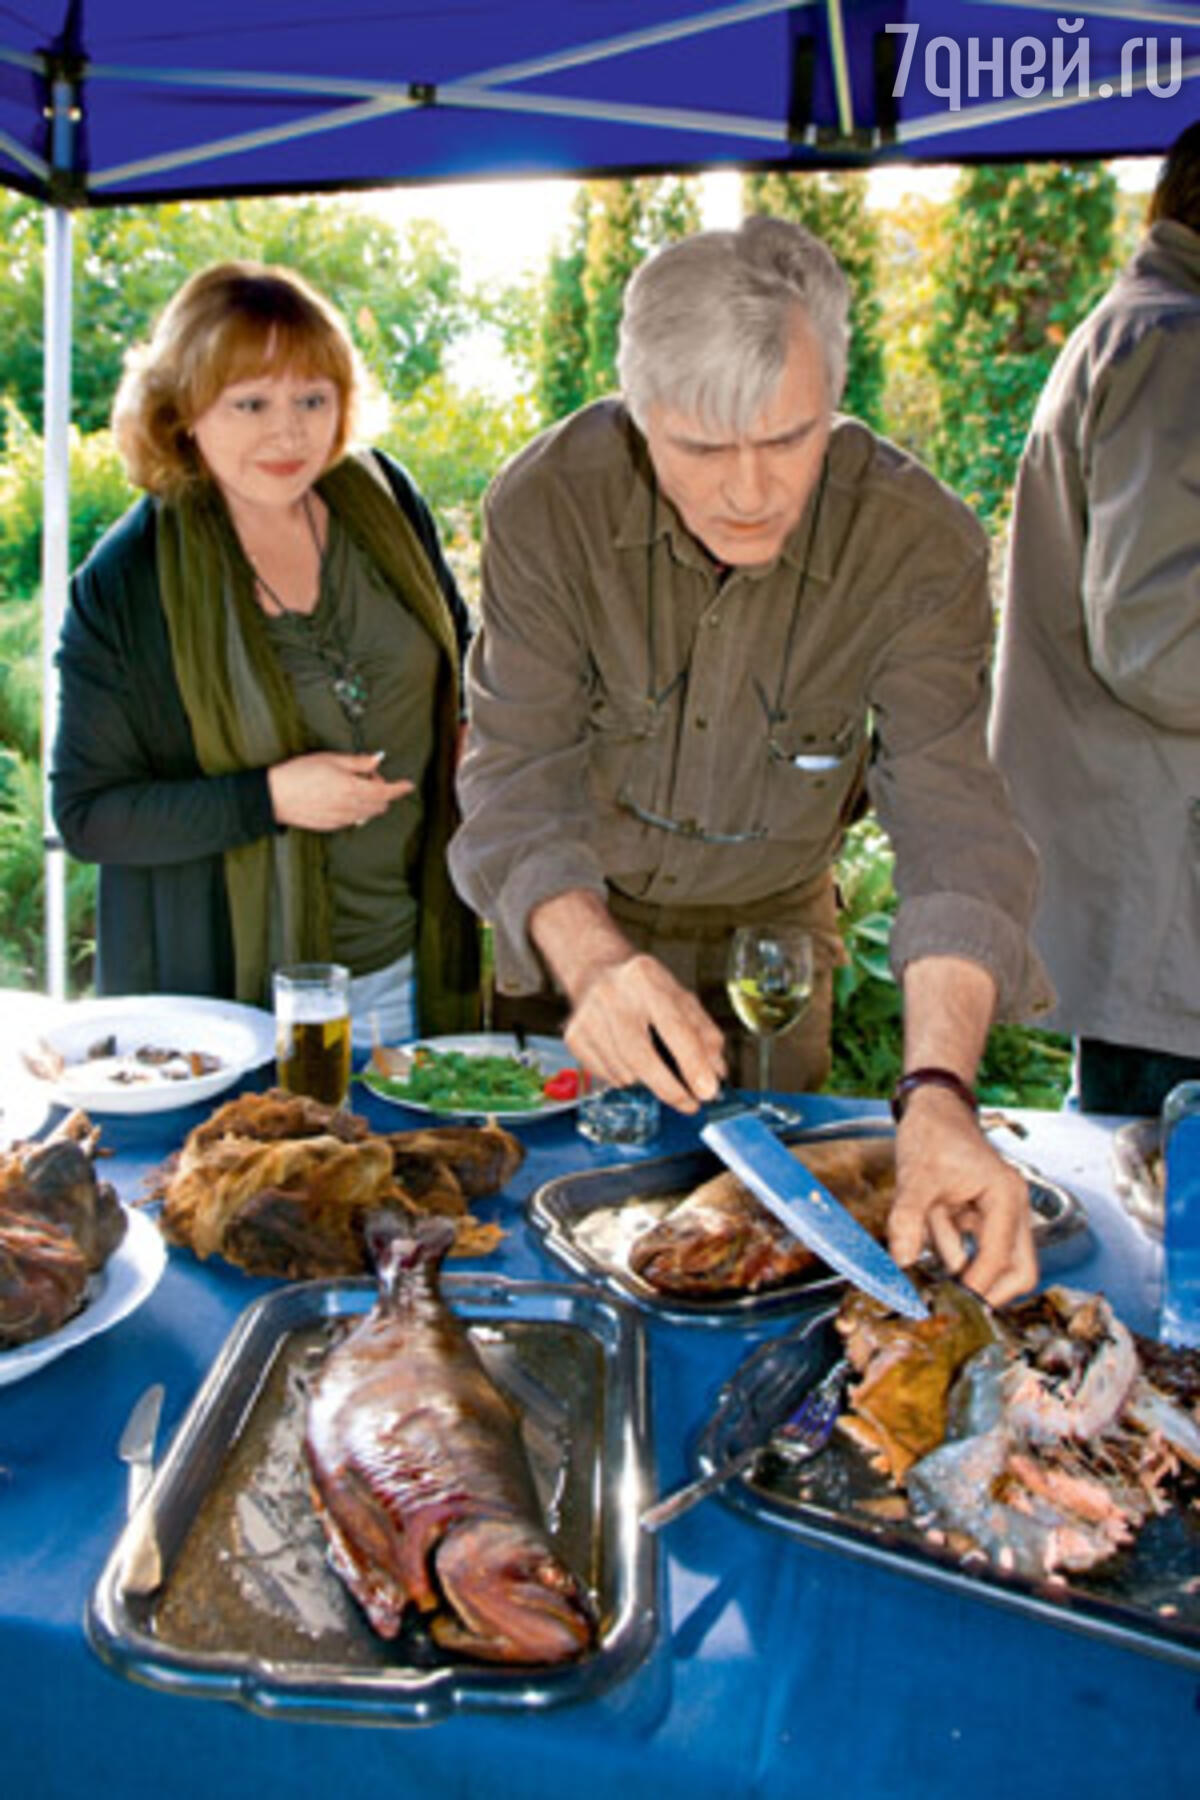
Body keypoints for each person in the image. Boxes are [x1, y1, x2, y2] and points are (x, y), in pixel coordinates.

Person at [449, 215, 1051, 1306]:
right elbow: (515, 775)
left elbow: (957, 829)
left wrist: (936, 1095)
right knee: (553, 1258)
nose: (749, 490)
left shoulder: (923, 543)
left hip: (776, 949)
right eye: (701, 447)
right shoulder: (545, 504)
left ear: (834, 401)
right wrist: (590, 962)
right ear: (638, 417)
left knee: (771, 1269)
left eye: (789, 440)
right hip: (578, 925)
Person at [51, 261, 479, 1047]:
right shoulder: (124, 583)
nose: (290, 433)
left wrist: (470, 729)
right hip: (240, 1012)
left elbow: (464, 658)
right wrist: (270, 799)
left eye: (313, 399)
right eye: (251, 403)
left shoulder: (384, 498)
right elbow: (87, 817)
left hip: (420, 967)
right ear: (182, 410)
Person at [991, 122, 1200, 1118]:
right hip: (1170, 893)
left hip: (1158, 875)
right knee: (1170, 1235)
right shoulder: (1178, 344)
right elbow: (1163, 646)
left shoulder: (1155, 330)